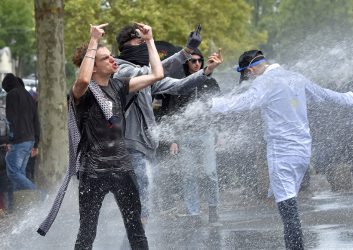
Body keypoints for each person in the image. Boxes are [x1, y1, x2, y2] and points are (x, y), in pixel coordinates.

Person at [209, 50, 353, 249]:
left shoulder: (264, 83)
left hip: (282, 154)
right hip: (303, 152)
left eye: (248, 75)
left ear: (251, 70)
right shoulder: (295, 77)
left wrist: (209, 104)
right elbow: (325, 95)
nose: (249, 79)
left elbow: (241, 102)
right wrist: (350, 97)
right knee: (290, 209)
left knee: (289, 214)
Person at [38, 23, 163, 250]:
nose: (113, 60)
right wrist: (93, 41)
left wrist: (150, 40)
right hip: (93, 173)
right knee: (87, 233)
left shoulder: (120, 86)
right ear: (93, 67)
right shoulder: (81, 93)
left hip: (123, 169)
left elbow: (157, 74)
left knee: (136, 230)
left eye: (111, 56)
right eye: (106, 59)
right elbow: (84, 80)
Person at [113, 23, 222, 223]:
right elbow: (157, 72)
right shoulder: (122, 70)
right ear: (127, 45)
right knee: (141, 209)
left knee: (143, 209)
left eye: (145, 43)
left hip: (147, 147)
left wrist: (205, 71)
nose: (145, 47)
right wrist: (183, 51)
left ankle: (132, 243)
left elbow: (179, 86)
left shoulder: (145, 74)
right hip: (130, 148)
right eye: (141, 42)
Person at [155, 49, 221, 223]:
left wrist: (218, 132)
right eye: (193, 61)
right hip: (184, 135)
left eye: (200, 60)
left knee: (210, 173)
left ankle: (213, 210)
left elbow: (219, 109)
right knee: (189, 175)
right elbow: (171, 112)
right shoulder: (180, 84)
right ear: (187, 63)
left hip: (206, 134)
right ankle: (194, 213)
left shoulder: (211, 82)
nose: (197, 63)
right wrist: (173, 140)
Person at [1, 73, 40, 207]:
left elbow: (11, 119)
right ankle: (22, 206)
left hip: (18, 139)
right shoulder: (29, 96)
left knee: (13, 172)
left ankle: (40, 195)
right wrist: (36, 143)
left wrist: (9, 140)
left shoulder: (12, 95)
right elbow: (36, 121)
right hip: (30, 139)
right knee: (20, 173)